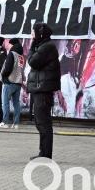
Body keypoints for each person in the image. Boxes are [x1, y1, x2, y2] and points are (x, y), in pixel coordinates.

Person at [27, 23, 61, 160]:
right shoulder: (44, 46)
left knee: (43, 122)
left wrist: (31, 46)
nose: (32, 35)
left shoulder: (47, 47)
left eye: (33, 33)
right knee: (40, 122)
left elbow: (33, 62)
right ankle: (43, 152)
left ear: (39, 34)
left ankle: (46, 154)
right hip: (39, 88)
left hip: (43, 89)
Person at [0, 38, 24, 129]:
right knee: (16, 103)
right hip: (18, 83)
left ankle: (5, 122)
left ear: (12, 45)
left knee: (5, 103)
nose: (8, 46)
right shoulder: (21, 56)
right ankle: (16, 124)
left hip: (9, 82)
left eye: (9, 44)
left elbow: (7, 68)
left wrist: (4, 76)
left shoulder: (12, 54)